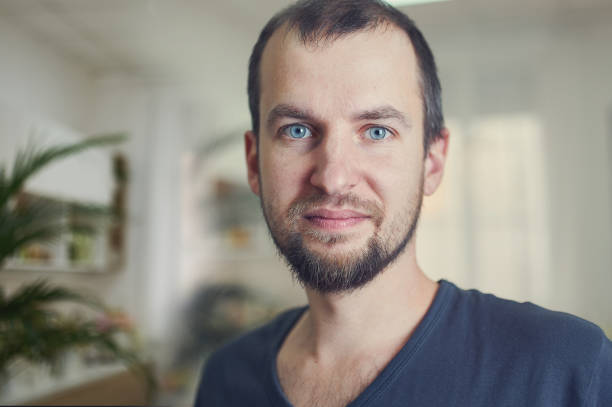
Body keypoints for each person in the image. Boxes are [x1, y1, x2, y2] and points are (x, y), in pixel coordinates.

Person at [194, 0, 612, 405]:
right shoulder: (226, 377)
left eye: (376, 131)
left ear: (432, 161)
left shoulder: (567, 369)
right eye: (297, 130)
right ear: (254, 162)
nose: (334, 178)